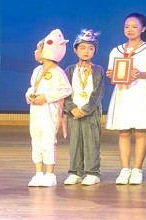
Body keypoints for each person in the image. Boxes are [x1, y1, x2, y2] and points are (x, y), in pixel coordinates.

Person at [105, 13, 146, 185]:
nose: (130, 29)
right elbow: (112, 72)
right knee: (123, 131)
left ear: (143, 29)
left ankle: (137, 169)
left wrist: (140, 74)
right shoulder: (116, 50)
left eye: (135, 26)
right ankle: (124, 169)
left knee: (140, 131)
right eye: (127, 26)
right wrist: (111, 74)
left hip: (141, 91)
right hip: (123, 92)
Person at [25, 29, 72, 187]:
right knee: (36, 139)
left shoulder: (58, 72)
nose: (35, 52)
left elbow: (66, 89)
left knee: (48, 140)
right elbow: (32, 87)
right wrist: (30, 94)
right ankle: (38, 173)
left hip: (50, 111)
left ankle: (50, 174)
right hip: (36, 110)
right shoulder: (37, 71)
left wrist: (47, 97)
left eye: (38, 48)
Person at [63, 29, 105, 186]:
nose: (86, 51)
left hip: (91, 113)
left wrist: (86, 109)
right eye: (82, 48)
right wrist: (71, 107)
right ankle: (75, 172)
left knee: (91, 142)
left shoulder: (98, 70)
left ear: (95, 51)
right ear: (75, 50)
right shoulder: (69, 70)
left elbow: (98, 93)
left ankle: (93, 172)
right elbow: (65, 92)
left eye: (90, 48)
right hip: (73, 112)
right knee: (75, 142)